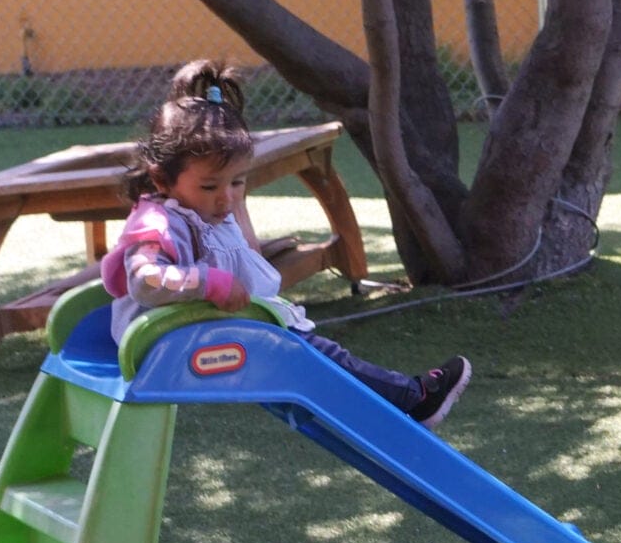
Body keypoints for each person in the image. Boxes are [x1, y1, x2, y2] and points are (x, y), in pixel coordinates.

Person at [101, 60, 471, 428]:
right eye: (211, 186)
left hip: (201, 331)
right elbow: (144, 280)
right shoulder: (158, 221)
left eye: (238, 182)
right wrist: (211, 282)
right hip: (171, 346)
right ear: (162, 180)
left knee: (306, 352)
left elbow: (248, 259)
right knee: (305, 352)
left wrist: (237, 208)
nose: (225, 198)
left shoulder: (208, 211)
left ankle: (390, 403)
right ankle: (412, 397)